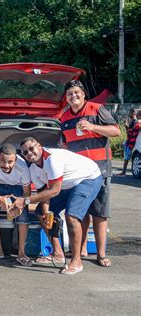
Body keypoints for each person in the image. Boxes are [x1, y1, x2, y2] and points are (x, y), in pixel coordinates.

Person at [11, 137, 102, 275]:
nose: (29, 153)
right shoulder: (34, 169)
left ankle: (77, 261)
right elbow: (44, 194)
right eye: (25, 152)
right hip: (67, 184)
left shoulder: (52, 159)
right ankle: (58, 253)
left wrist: (26, 201)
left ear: (39, 146)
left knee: (71, 216)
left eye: (31, 148)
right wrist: (47, 213)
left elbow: (54, 190)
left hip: (87, 178)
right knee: (41, 212)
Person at [59, 80, 120, 268]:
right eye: (70, 94)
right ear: (66, 98)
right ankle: (81, 249)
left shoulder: (97, 109)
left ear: (84, 94)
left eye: (77, 93)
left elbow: (115, 131)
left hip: (100, 169)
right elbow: (64, 145)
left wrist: (93, 127)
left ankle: (101, 254)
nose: (73, 96)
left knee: (100, 213)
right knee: (80, 212)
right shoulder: (64, 118)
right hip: (79, 173)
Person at [0, 144, 32, 266]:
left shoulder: (22, 166)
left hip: (17, 187)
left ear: (15, 158)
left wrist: (20, 203)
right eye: (3, 160)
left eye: (10, 162)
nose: (6, 165)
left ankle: (21, 252)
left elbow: (27, 192)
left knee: (23, 215)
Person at [117, 108, 138, 176]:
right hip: (129, 141)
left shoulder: (135, 122)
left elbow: (130, 132)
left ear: (133, 113)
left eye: (129, 112)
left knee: (126, 157)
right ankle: (124, 171)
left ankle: (124, 172)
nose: (128, 114)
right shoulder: (133, 121)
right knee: (127, 156)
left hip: (131, 142)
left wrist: (126, 125)